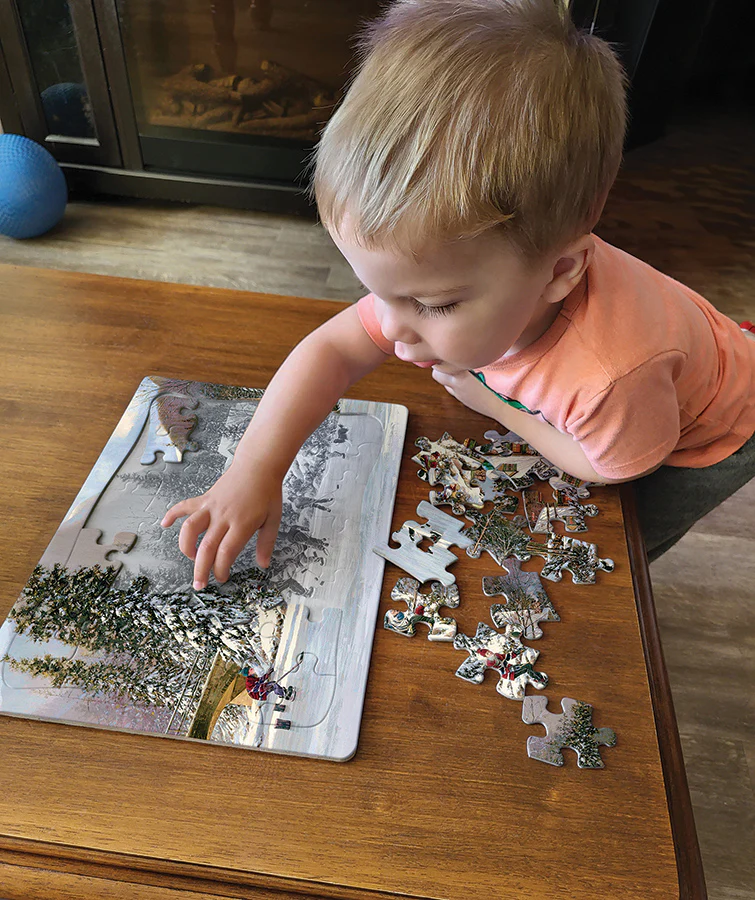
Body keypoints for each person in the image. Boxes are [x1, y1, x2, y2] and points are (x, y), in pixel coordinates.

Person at [162, 0, 755, 589]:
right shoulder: (465, 273)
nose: (391, 327)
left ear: (559, 272)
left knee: (625, 555)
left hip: (714, 431)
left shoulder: (610, 377)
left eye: (435, 305)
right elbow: (331, 351)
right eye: (375, 291)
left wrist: (495, 405)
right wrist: (253, 470)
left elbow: (608, 466)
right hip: (650, 378)